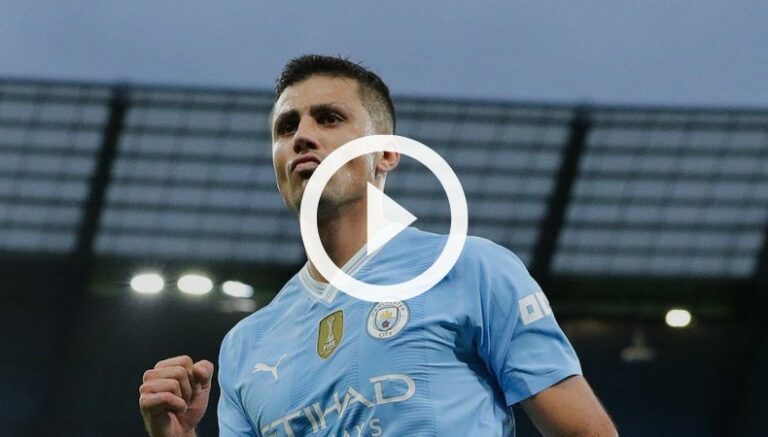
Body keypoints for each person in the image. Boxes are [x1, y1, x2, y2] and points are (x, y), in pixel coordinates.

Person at [139, 54, 617, 437]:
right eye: (286, 127)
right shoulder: (247, 346)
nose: (302, 136)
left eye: (329, 118)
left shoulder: (470, 269)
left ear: (387, 153)